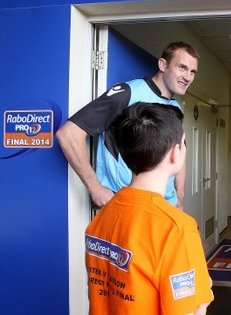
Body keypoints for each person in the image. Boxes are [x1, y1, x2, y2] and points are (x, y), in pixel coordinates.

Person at [85, 102, 213, 315]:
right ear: (175, 153)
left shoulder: (102, 216)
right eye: (184, 143)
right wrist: (203, 296)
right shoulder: (178, 228)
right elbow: (189, 311)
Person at [56, 41, 198, 210]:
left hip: (165, 206)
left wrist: (179, 196)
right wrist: (95, 188)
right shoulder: (127, 93)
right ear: (162, 64)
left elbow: (180, 151)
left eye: (192, 72)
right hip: (127, 205)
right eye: (182, 67)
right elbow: (69, 134)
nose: (187, 77)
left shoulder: (176, 107)